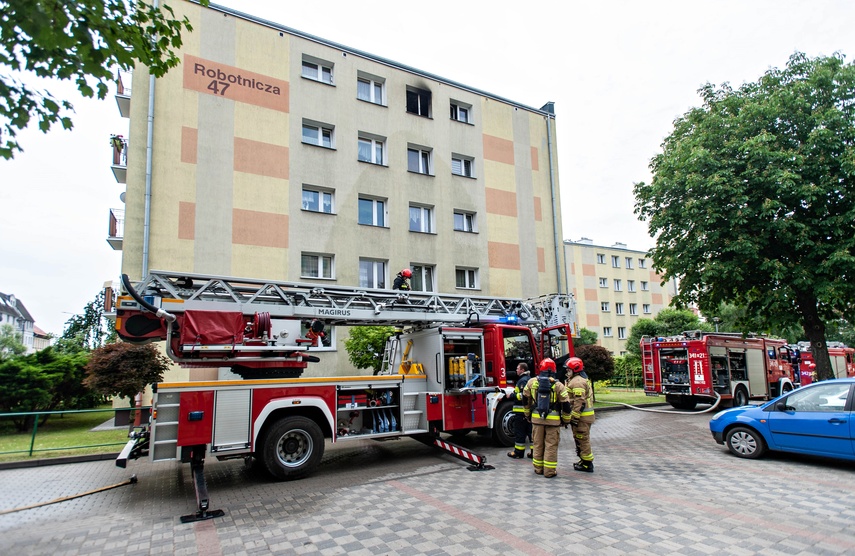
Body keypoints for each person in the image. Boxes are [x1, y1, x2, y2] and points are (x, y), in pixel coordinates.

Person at [523, 358, 573, 478]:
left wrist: (527, 415)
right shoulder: (559, 385)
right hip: (553, 422)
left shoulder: (531, 382)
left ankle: (538, 469)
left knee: (537, 444)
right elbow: (566, 405)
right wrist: (566, 420)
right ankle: (549, 471)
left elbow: (525, 400)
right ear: (554, 370)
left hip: (537, 420)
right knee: (551, 445)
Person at [564, 357, 596, 472]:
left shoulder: (577, 382)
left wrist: (574, 417)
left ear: (575, 369)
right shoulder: (577, 379)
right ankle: (583, 459)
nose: (567, 372)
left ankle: (587, 464)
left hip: (582, 417)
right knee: (580, 438)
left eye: (568, 370)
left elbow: (579, 401)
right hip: (583, 417)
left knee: (582, 439)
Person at [507, 363, 533, 459]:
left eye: (518, 368)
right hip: (527, 412)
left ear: (522, 370)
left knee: (520, 433)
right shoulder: (528, 379)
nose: (516, 370)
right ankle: (534, 452)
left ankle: (518, 452)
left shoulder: (522, 381)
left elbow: (523, 396)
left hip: (521, 412)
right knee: (531, 433)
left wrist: (512, 395)